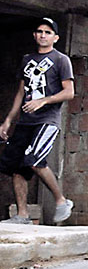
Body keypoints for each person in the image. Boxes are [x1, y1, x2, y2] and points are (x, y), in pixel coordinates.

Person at [0, 17, 75, 224]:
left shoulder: (61, 60)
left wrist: (44, 101)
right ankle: (22, 215)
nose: (43, 35)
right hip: (25, 121)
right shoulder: (27, 59)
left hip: (47, 120)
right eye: (40, 31)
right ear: (35, 35)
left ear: (56, 38)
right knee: (17, 166)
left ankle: (61, 200)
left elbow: (69, 92)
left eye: (48, 32)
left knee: (34, 159)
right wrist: (8, 120)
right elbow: (20, 93)